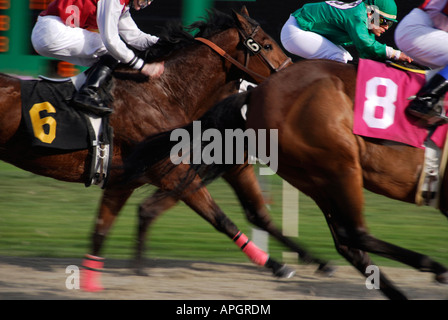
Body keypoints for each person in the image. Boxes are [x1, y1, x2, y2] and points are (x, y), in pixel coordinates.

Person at [31, 0, 165, 116]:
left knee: (106, 60)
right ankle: (87, 94)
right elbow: (111, 41)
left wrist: (167, 42)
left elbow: (135, 37)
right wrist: (142, 66)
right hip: (52, 30)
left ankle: (82, 95)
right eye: (145, 0)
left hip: (49, 33)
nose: (142, 5)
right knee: (111, 50)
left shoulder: (121, 6)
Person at [280, 0, 412, 64]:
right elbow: (366, 45)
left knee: (347, 59)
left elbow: (366, 55)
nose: (386, 27)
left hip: (300, 28)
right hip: (296, 32)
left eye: (389, 24)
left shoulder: (363, 14)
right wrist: (395, 54)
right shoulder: (357, 15)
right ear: (372, 13)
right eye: (384, 21)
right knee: (341, 59)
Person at [395, 0, 448, 126]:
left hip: (422, 28)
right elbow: (367, 36)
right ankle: (425, 100)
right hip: (418, 30)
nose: (385, 25)